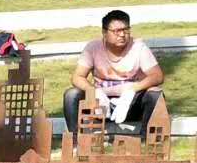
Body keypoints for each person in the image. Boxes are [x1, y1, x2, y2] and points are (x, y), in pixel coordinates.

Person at [64, 9, 165, 138]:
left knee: (155, 94)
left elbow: (157, 76)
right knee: (71, 94)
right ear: (104, 33)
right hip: (100, 104)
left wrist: (132, 90)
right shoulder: (93, 48)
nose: (122, 35)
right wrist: (93, 91)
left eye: (126, 30)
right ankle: (75, 141)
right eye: (116, 31)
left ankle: (145, 140)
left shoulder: (138, 47)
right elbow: (77, 77)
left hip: (130, 103)